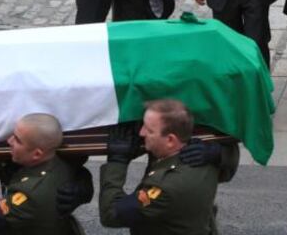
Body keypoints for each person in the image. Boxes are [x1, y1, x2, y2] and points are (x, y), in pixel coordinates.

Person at [99, 99, 232, 234]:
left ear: (170, 140)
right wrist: (222, 154)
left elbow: (111, 214)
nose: (141, 133)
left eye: (149, 130)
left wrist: (117, 161)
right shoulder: (207, 159)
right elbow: (229, 165)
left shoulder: (163, 188)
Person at [0, 113, 90, 234]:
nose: (9, 141)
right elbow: (81, 173)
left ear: (36, 154)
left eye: (17, 140)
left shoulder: (29, 194)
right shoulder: (60, 163)